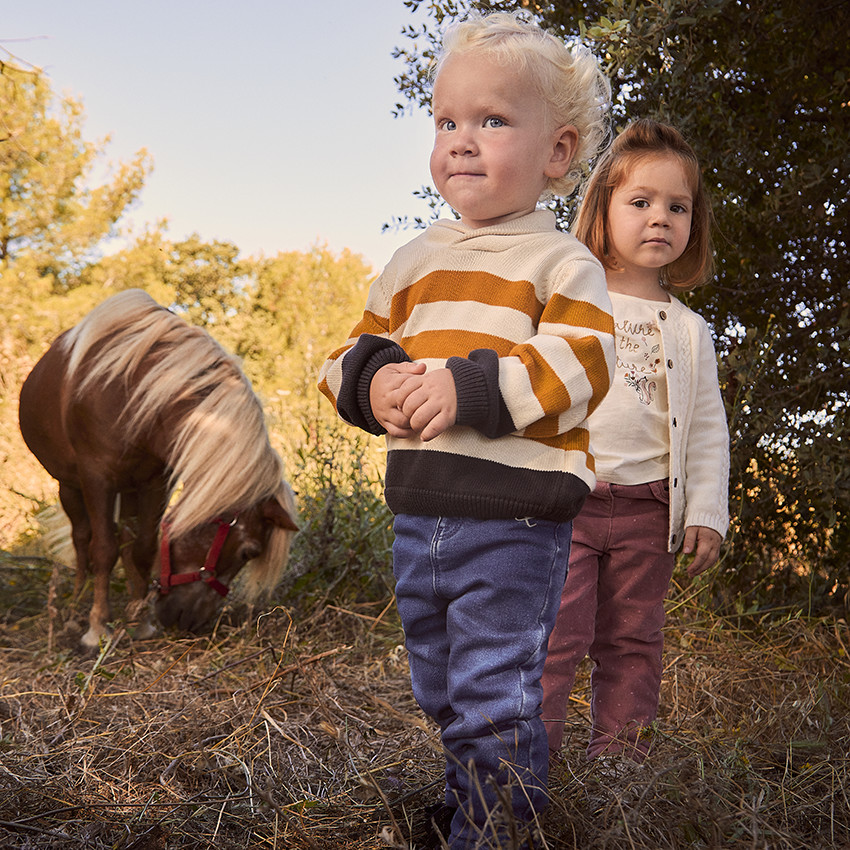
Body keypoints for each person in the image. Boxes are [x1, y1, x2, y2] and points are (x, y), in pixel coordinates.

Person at [318, 12, 613, 847]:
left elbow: (586, 360)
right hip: (419, 513)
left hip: (514, 518)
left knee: (493, 686)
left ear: (556, 154)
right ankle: (472, 793)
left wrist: (470, 386)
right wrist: (373, 384)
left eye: (492, 121)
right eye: (447, 121)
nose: (462, 141)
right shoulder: (411, 262)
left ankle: (494, 826)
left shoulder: (560, 265)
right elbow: (343, 355)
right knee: (440, 684)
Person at [540, 119, 730, 768]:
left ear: (693, 225)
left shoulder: (689, 330)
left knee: (632, 643)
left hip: (650, 509)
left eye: (677, 207)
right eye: (641, 202)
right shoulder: (569, 305)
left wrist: (706, 511)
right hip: (569, 502)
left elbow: (706, 429)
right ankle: (524, 767)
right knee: (553, 639)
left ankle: (619, 772)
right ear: (603, 208)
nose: (660, 219)